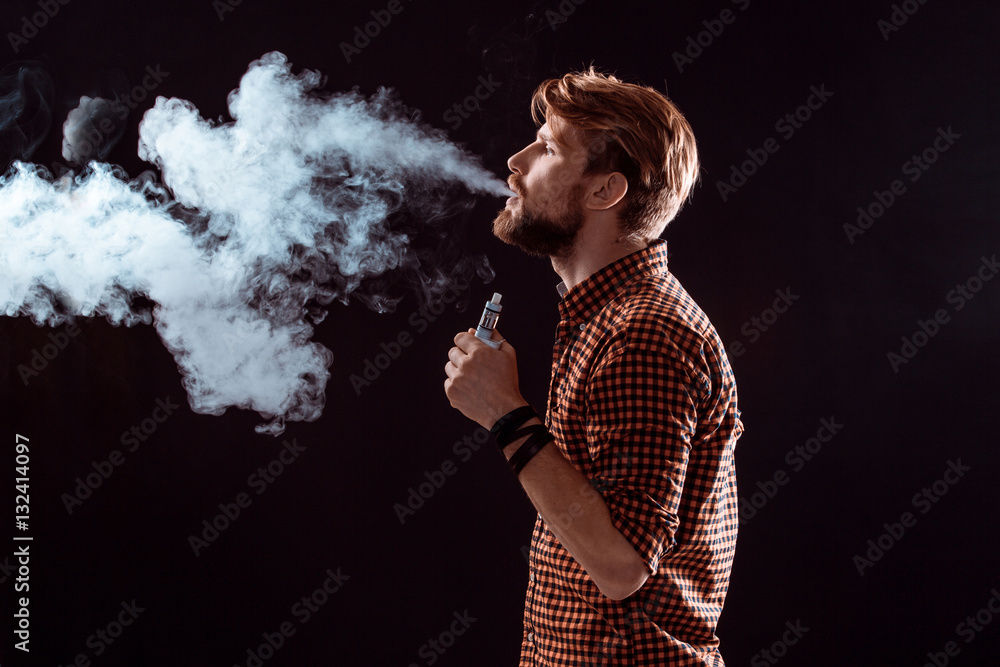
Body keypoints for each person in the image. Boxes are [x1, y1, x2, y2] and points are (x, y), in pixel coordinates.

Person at [443, 68, 743, 666]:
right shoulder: (603, 317)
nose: (515, 160)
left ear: (605, 192)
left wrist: (506, 415)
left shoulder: (645, 334)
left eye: (549, 148)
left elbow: (620, 564)